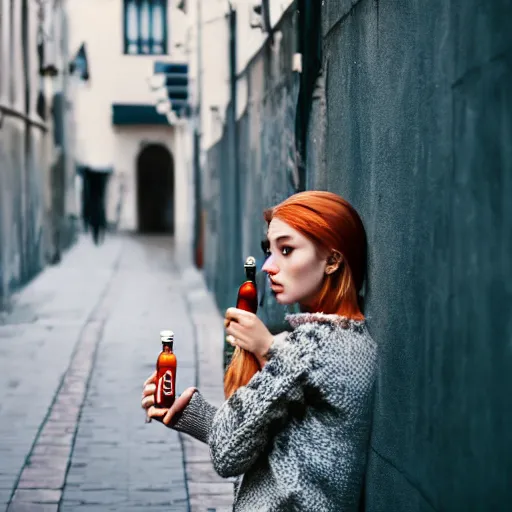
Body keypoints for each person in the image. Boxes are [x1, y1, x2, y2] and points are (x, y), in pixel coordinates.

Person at [141, 191, 377, 511]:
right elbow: (265, 446)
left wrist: (267, 347)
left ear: (333, 261)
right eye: (270, 250)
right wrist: (189, 413)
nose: (268, 266)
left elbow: (227, 454)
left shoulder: (311, 349)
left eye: (286, 250)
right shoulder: (345, 342)